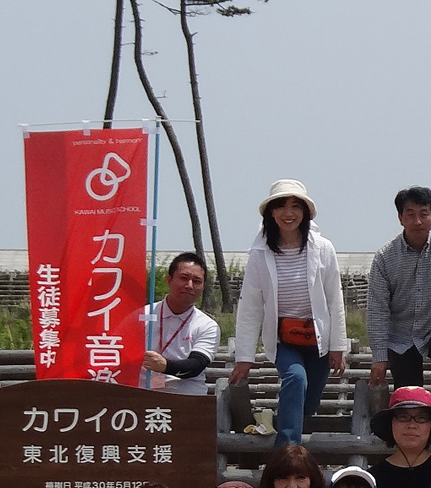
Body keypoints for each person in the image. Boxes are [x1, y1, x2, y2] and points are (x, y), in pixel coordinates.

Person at [231, 179, 348, 448]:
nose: (289, 213)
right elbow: (250, 305)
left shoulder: (323, 248)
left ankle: (285, 421)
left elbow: (334, 299)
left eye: (296, 206)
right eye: (281, 206)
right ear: (271, 213)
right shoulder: (260, 254)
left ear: (305, 212)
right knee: (295, 377)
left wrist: (338, 346)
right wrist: (244, 357)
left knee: (309, 400)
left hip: (317, 337)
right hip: (284, 337)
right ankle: (287, 449)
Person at [366, 185, 431, 408]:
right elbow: (377, 309)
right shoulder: (385, 257)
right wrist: (379, 356)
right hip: (402, 334)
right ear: (400, 218)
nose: (417, 222)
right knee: (409, 399)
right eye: (410, 215)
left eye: (424, 214)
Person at [139, 253, 223, 394]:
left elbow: (196, 366)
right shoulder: (142, 315)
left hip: (186, 398)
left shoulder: (207, 325)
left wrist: (165, 366)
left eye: (196, 281)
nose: (189, 286)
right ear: (169, 280)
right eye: (184, 278)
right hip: (140, 394)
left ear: (203, 287)